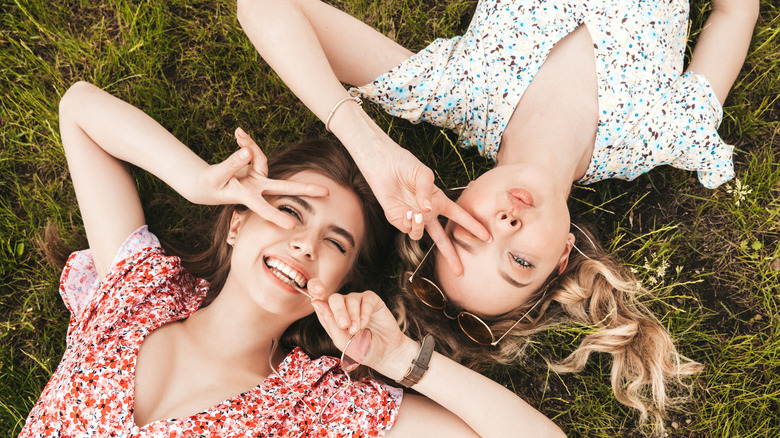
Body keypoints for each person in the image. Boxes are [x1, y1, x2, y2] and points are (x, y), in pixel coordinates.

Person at [236, 0, 758, 432]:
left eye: (469, 232)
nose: (506, 226)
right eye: (520, 261)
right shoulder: (666, 135)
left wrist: (368, 145)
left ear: (454, 199)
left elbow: (265, 8)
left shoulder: (455, 93)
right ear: (561, 259)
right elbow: (736, 11)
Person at [19, 81, 565, 437]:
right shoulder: (140, 290)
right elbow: (79, 109)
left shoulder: (315, 406)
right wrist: (196, 181)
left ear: (341, 283)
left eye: (336, 244)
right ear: (238, 219)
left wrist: (400, 359)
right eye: (290, 212)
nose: (305, 244)